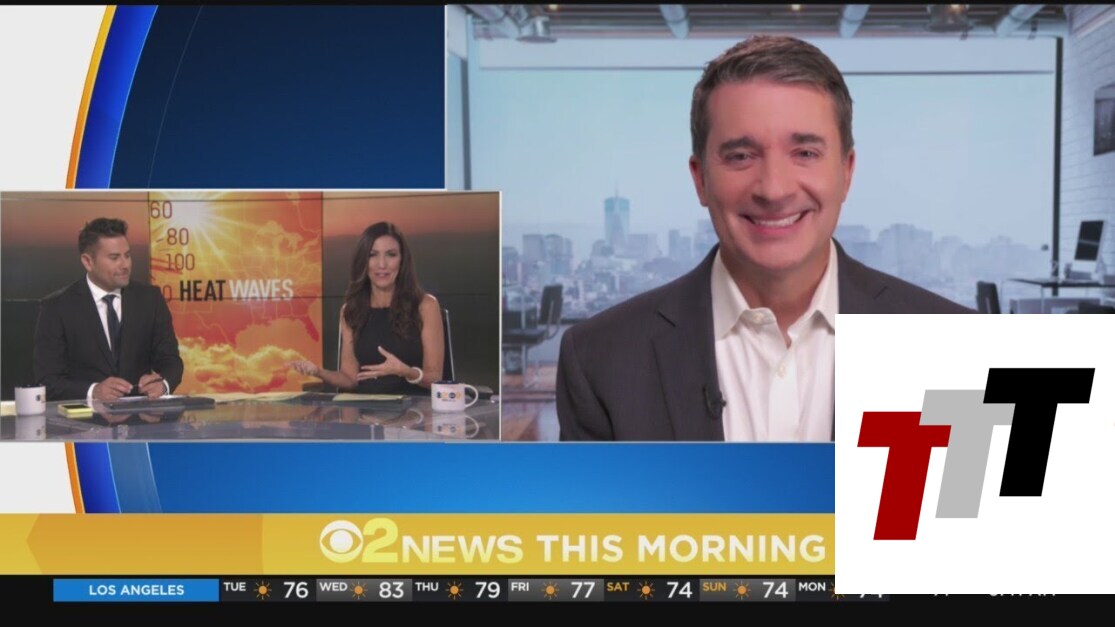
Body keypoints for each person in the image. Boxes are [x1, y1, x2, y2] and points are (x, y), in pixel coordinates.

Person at [556, 35, 971, 443]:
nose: (774, 189)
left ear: (846, 172)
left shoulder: (957, 348)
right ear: (700, 179)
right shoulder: (600, 360)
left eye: (805, 153)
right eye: (741, 156)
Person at [33, 218, 184, 402]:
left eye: (127, 255)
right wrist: (94, 391)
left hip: (140, 416)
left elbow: (171, 361)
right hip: (85, 418)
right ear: (88, 262)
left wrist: (163, 384)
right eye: (114, 258)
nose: (125, 265)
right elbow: (48, 381)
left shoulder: (150, 299)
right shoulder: (58, 307)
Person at [289, 222, 444, 395]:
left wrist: (405, 371)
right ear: (363, 261)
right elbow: (350, 379)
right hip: (366, 408)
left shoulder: (425, 306)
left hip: (414, 408)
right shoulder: (351, 310)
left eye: (391, 255)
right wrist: (318, 372)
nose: (382, 264)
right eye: (373, 255)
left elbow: (435, 378)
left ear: (402, 261)